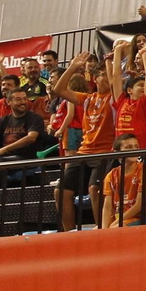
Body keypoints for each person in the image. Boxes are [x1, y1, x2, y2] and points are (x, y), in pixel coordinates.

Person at [51, 51, 118, 230]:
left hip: (105, 153)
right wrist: (73, 66)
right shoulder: (88, 99)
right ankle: (69, 233)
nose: (106, 78)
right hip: (83, 152)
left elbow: (114, 83)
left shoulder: (115, 98)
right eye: (102, 74)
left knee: (95, 190)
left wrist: (111, 62)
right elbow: (58, 90)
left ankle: (101, 230)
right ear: (95, 79)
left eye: (107, 74)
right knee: (60, 192)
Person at [100, 134, 146, 228]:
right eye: (128, 147)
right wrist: (104, 228)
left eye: (136, 146)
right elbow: (107, 208)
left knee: (114, 229)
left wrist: (116, 223)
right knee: (93, 233)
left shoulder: (145, 171)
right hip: (118, 219)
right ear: (117, 152)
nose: (134, 150)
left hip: (140, 218)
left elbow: (139, 206)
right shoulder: (111, 175)